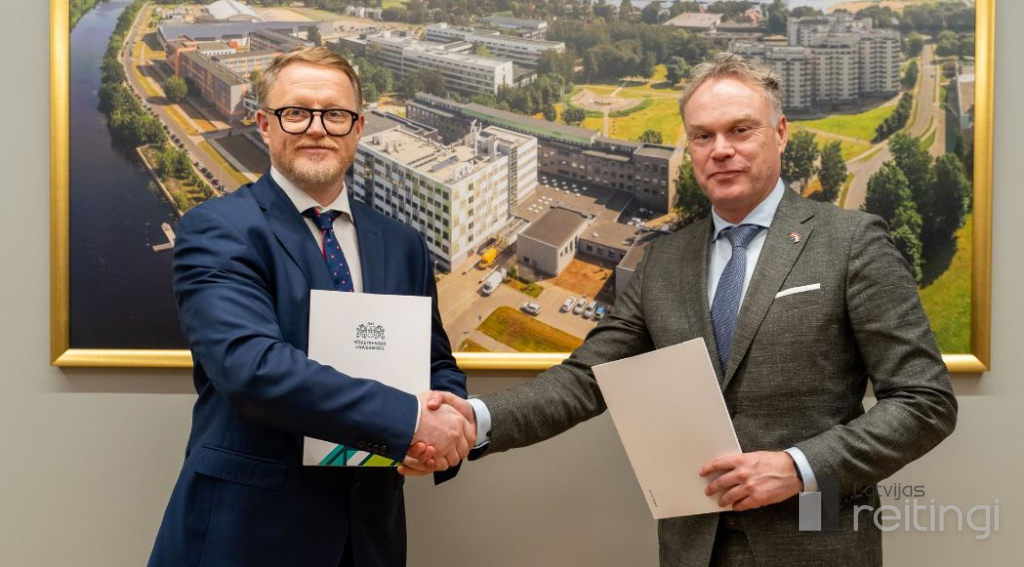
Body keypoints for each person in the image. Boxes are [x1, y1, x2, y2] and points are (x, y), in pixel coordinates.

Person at [406, 53, 958, 566]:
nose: (721, 149)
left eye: (740, 129)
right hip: (694, 548)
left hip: (815, 542)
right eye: (702, 135)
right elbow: (585, 380)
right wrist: (471, 419)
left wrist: (799, 467)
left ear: (780, 133)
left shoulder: (851, 242)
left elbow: (925, 400)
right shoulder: (662, 262)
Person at [150, 47, 473, 567]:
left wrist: (450, 425)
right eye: (296, 112)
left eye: (335, 114)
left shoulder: (404, 244)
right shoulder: (217, 230)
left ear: (358, 128)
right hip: (248, 537)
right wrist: (410, 421)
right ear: (264, 125)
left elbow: (435, 362)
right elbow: (251, 369)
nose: (317, 128)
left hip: (369, 540)